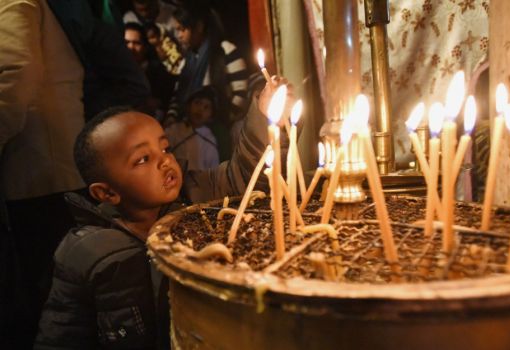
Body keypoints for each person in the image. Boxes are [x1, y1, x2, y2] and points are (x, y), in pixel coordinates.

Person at [35, 77, 292, 348]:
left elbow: (244, 175)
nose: (165, 161)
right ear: (107, 193)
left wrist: (265, 117)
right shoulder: (85, 252)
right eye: (143, 159)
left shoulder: (194, 196)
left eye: (165, 147)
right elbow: (62, 333)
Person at [0, 0, 87, 346]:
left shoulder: (13, 2)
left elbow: (15, 78)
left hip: (42, 171)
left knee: (54, 296)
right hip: (46, 170)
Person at [165, 5, 248, 133]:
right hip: (189, 130)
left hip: (221, 130)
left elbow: (241, 93)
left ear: (199, 27)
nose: (179, 35)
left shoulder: (225, 50)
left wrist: (222, 122)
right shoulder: (187, 60)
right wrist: (171, 118)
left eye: (182, 29)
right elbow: (178, 95)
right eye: (177, 31)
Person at [125, 22, 177, 118]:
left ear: (145, 47)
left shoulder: (160, 73)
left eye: (136, 43)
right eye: (126, 42)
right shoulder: (114, 71)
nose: (131, 47)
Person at [165, 87, 220, 172]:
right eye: (197, 103)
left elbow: (212, 171)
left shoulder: (209, 140)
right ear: (188, 106)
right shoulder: (174, 130)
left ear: (211, 116)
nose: (200, 109)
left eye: (206, 107)